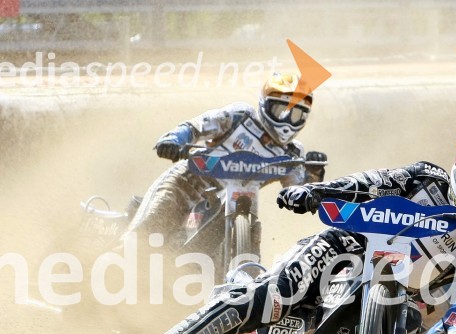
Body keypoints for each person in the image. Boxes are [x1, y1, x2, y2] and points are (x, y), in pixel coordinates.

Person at [120, 129, 456, 334]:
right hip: (344, 251)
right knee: (273, 295)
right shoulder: (426, 178)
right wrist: (316, 192)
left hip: (398, 302)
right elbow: (370, 182)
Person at [123, 72, 327, 244]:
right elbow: (198, 126)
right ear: (265, 105)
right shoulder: (240, 116)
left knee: (253, 231)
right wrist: (173, 140)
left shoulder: (292, 154)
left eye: (296, 115)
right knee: (148, 230)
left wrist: (314, 173)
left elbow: (298, 196)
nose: (287, 121)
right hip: (186, 185)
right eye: (281, 110)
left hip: (231, 206)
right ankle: (118, 253)